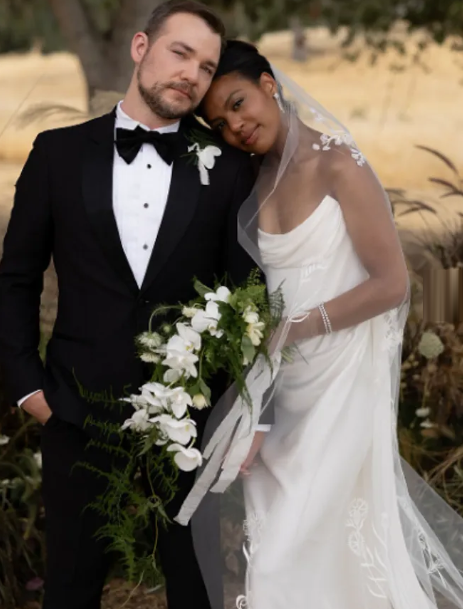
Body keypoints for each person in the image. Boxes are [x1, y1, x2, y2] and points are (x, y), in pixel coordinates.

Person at [0, 2, 273, 609]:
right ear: (141, 46)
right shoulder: (56, 153)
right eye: (181, 53)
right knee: (69, 588)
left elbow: (252, 293)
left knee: (197, 587)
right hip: (73, 409)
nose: (192, 76)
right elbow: (17, 277)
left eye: (205, 67)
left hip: (190, 424)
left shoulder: (229, 169)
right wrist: (28, 389)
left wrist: (249, 413)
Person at [176, 39, 463, 609]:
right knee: (276, 528)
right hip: (277, 388)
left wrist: (300, 327)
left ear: (268, 83)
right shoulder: (246, 181)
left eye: (238, 103)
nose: (235, 126)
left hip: (339, 377)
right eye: (220, 122)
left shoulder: (338, 164)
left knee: (306, 536)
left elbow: (392, 283)